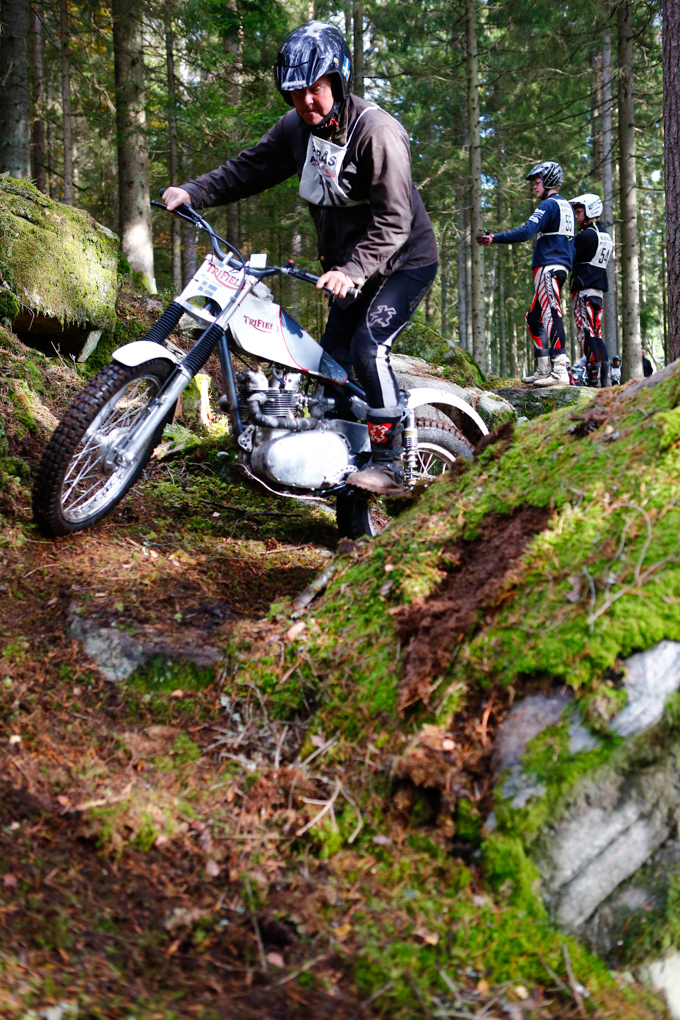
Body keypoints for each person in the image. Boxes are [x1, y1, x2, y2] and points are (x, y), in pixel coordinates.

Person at [162, 21, 438, 494]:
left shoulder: (378, 133)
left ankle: (391, 463)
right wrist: (194, 191)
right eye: (296, 92)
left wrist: (352, 271)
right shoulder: (295, 129)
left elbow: (395, 220)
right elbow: (248, 169)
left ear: (338, 82)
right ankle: (335, 472)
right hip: (349, 267)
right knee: (330, 368)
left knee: (368, 348)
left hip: (403, 262)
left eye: (316, 89)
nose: (307, 101)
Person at [476, 160, 574, 388]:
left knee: (551, 314)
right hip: (558, 266)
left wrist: (494, 238)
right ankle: (543, 370)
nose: (534, 186)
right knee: (533, 318)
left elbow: (526, 231)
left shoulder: (548, 205)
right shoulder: (567, 207)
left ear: (548, 181)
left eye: (537, 182)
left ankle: (560, 370)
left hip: (548, 266)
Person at [569, 193, 613, 388]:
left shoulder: (586, 235)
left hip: (584, 288)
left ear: (589, 211)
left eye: (579, 212)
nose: (576, 216)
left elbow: (569, 254)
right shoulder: (605, 235)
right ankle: (605, 379)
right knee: (596, 332)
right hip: (598, 290)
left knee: (585, 332)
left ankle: (594, 378)